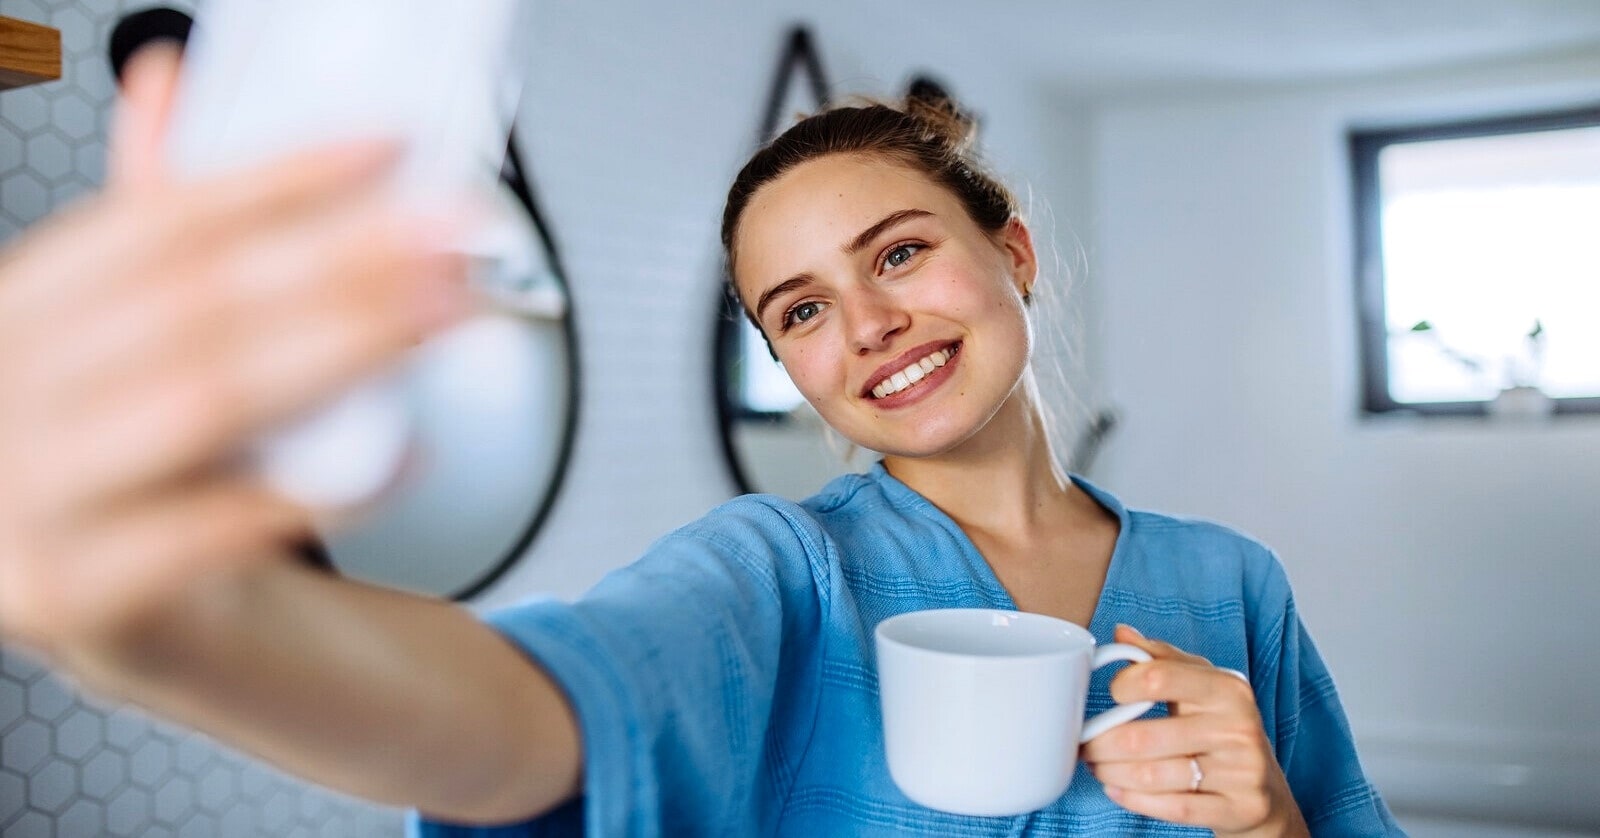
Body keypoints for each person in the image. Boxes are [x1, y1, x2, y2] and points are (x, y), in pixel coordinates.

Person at [0, 48, 1403, 837]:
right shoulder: (782, 573)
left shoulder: (1233, 589)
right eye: (800, 308)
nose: (864, 325)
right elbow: (529, 721)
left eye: (900, 252)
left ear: (1013, 252)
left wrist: (1276, 818)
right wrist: (189, 627)